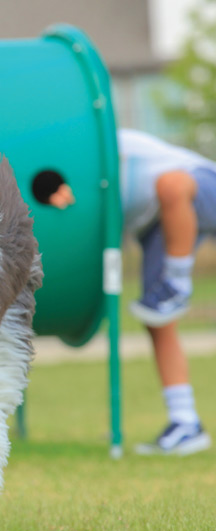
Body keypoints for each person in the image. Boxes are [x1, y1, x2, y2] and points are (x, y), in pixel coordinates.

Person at [48, 128, 213, 455]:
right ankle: (185, 423)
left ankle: (177, 282)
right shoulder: (76, 185)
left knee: (172, 184)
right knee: (158, 319)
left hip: (202, 185)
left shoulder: (100, 143)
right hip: (158, 224)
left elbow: (169, 185)